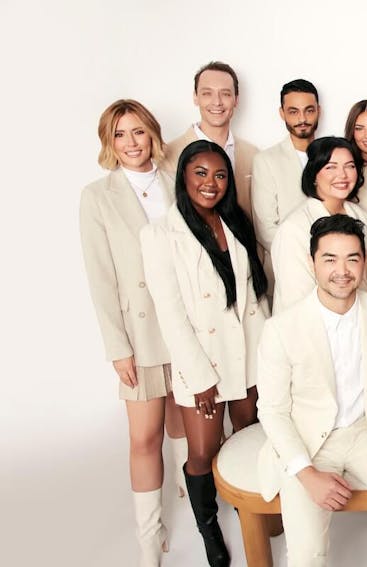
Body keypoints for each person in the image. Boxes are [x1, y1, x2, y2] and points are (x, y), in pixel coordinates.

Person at [256, 215, 367, 567]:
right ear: (312, 263)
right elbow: (273, 412)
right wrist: (307, 475)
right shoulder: (281, 329)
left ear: (365, 262)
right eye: (330, 259)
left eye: (352, 258)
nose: (342, 270)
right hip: (307, 443)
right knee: (306, 557)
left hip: (366, 432)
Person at [141, 140, 269, 567]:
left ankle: (251, 507)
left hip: (247, 354)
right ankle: (208, 525)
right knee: (202, 451)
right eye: (200, 173)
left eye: (220, 175)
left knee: (250, 433)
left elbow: (255, 297)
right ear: (183, 176)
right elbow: (170, 314)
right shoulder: (160, 234)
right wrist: (199, 378)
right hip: (204, 361)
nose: (210, 183)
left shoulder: (235, 221)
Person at [80, 99, 186, 567]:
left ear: (153, 135)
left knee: (185, 421)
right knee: (144, 437)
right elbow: (100, 278)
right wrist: (117, 348)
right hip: (139, 334)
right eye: (119, 134)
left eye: (138, 131)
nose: (130, 143)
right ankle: (148, 538)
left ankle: (191, 499)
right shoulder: (97, 197)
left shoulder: (177, 180)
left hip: (185, 324)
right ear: (109, 142)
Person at [270, 137, 367, 312]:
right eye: (331, 167)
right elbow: (296, 302)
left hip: (366, 320)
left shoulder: (359, 215)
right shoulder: (294, 228)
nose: (342, 175)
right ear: (314, 174)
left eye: (350, 166)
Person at [163, 61, 258, 221]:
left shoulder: (253, 155)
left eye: (225, 94)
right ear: (195, 97)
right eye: (207, 93)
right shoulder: (168, 156)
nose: (217, 102)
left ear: (236, 99)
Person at [252, 78, 321, 252]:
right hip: (287, 258)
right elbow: (265, 229)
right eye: (293, 111)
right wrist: (302, 257)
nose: (302, 119)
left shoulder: (333, 155)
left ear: (318, 111)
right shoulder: (265, 161)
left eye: (309, 110)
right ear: (282, 113)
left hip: (333, 259)